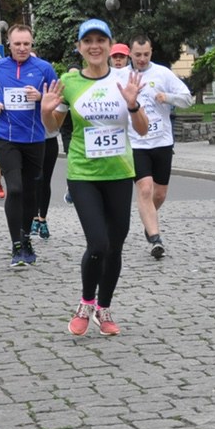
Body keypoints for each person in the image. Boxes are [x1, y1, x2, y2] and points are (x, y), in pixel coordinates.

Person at [41, 19, 148, 337]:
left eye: (101, 40)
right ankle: (86, 303)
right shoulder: (69, 82)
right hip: (83, 173)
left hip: (119, 172)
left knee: (115, 245)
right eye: (88, 41)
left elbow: (142, 129)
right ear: (79, 47)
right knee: (98, 243)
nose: (95, 46)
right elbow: (52, 127)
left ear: (110, 45)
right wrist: (46, 111)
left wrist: (133, 105)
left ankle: (105, 308)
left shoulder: (125, 79)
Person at [0, 24, 58, 268]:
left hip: (35, 139)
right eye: (17, 44)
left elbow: (57, 97)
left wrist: (41, 98)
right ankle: (16, 245)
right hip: (7, 137)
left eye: (26, 43)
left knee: (31, 191)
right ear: (9, 44)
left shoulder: (44, 68)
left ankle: (26, 239)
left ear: (32, 44)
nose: (22, 48)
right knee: (14, 189)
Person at [127, 35, 193, 259]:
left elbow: (187, 99)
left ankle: (149, 220)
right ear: (130, 53)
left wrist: (168, 97)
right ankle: (155, 238)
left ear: (151, 52)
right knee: (145, 189)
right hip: (136, 143)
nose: (142, 59)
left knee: (160, 194)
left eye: (146, 54)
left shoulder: (163, 73)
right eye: (138, 55)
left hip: (162, 142)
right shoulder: (123, 76)